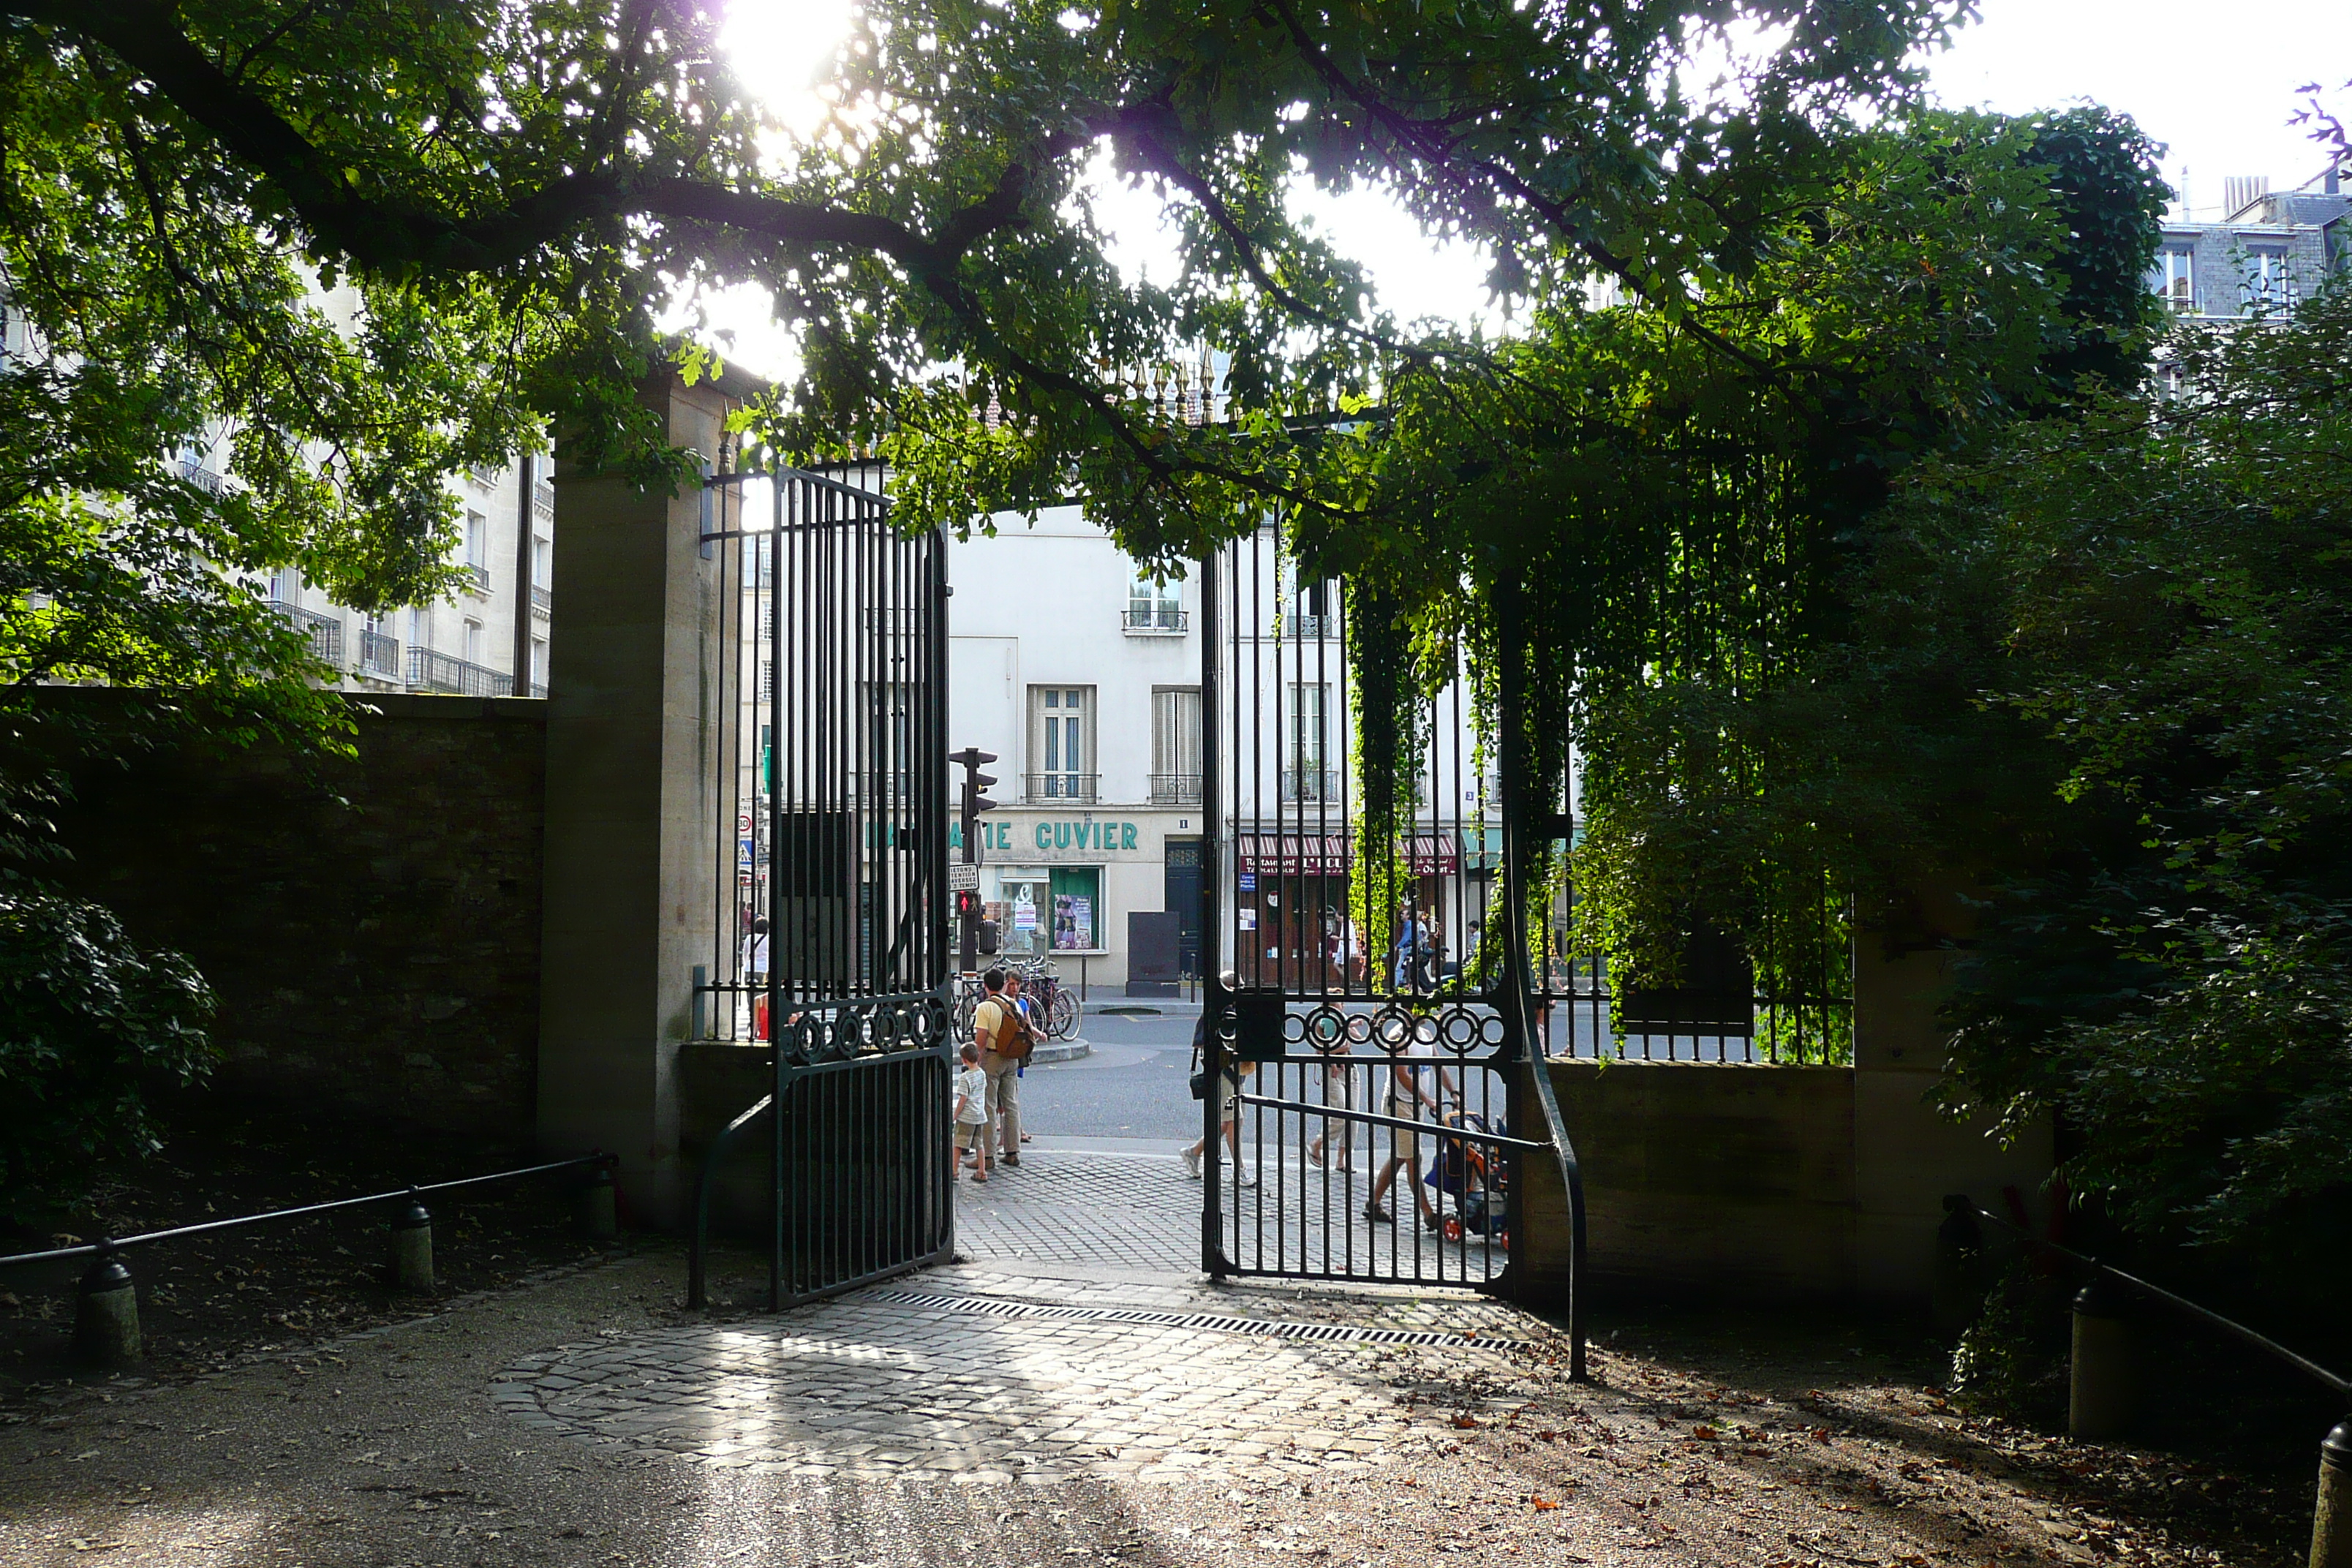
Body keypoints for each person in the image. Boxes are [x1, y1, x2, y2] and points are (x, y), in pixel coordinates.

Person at [1363, 1017, 1450, 1228]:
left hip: (1416, 1105)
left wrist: (1454, 1091)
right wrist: (1427, 1099)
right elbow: (1401, 1073)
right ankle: (1428, 1214)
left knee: (1400, 1156)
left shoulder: (1426, 1035)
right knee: (1413, 1158)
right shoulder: (1398, 1037)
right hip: (1399, 1105)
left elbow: (1439, 1066)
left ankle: (1372, 1204)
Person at [1182, 975, 1257, 1187]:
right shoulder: (1217, 1011)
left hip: (1236, 1074)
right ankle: (1240, 1170)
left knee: (1227, 1123)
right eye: (1238, 988)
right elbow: (1200, 1043)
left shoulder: (1235, 1011)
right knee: (1234, 1121)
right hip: (1224, 1074)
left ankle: (1194, 1152)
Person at [971, 967, 1030, 1168]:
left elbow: (981, 1039)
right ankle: (1013, 1152)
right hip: (1012, 1058)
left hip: (993, 1058)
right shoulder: (1014, 1004)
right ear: (1004, 984)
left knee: (988, 1105)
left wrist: (976, 1062)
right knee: (1011, 1103)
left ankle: (987, 1156)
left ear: (986, 986)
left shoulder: (985, 1007)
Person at [951, 1041, 990, 1182]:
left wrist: (955, 1116)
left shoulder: (965, 1078)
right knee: (979, 1144)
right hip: (979, 1115)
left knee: (958, 1144)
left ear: (964, 1059)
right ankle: (982, 1171)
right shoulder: (982, 1074)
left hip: (967, 1116)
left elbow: (963, 1099)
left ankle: (954, 1171)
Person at [742, 916, 771, 1039]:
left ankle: (752, 1025)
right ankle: (761, 1025)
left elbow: (745, 954)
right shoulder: (769, 939)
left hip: (750, 970)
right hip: (763, 970)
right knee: (763, 1000)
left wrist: (746, 965)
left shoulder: (749, 938)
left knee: (751, 1001)